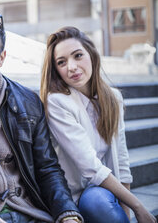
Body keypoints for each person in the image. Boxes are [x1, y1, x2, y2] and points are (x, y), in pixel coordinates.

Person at [0, 12, 83, 223]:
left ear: (1, 57)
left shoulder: (28, 102)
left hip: (29, 210)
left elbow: (47, 168)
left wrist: (67, 214)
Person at [40, 26, 156, 223]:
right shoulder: (57, 101)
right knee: (96, 201)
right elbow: (90, 167)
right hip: (71, 197)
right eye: (62, 62)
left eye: (78, 56)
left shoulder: (113, 98)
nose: (72, 67)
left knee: (99, 199)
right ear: (56, 70)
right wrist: (138, 206)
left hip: (102, 191)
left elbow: (121, 159)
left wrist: (126, 213)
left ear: (92, 55)